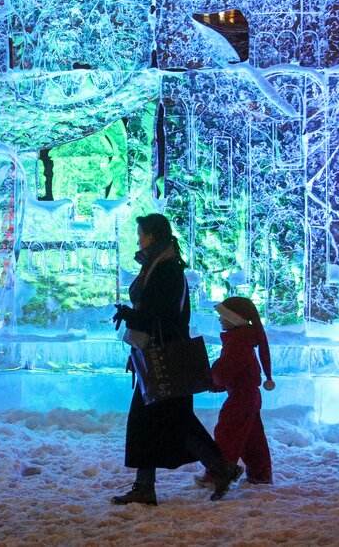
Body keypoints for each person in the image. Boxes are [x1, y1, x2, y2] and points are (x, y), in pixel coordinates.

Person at [111, 213, 242, 505]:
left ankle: (214, 471)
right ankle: (214, 471)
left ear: (153, 236)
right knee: (170, 422)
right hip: (158, 355)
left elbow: (163, 315)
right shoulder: (161, 266)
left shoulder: (166, 269)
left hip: (163, 358)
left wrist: (132, 315)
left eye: (141, 233)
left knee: (168, 422)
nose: (138, 239)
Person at [195, 296, 275, 488]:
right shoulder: (242, 340)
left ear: (234, 319)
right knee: (251, 437)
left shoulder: (237, 342)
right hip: (249, 395)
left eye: (223, 316)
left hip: (241, 397)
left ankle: (217, 473)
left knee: (227, 433)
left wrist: (209, 377)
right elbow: (238, 372)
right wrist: (217, 383)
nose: (220, 320)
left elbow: (225, 371)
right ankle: (260, 474)